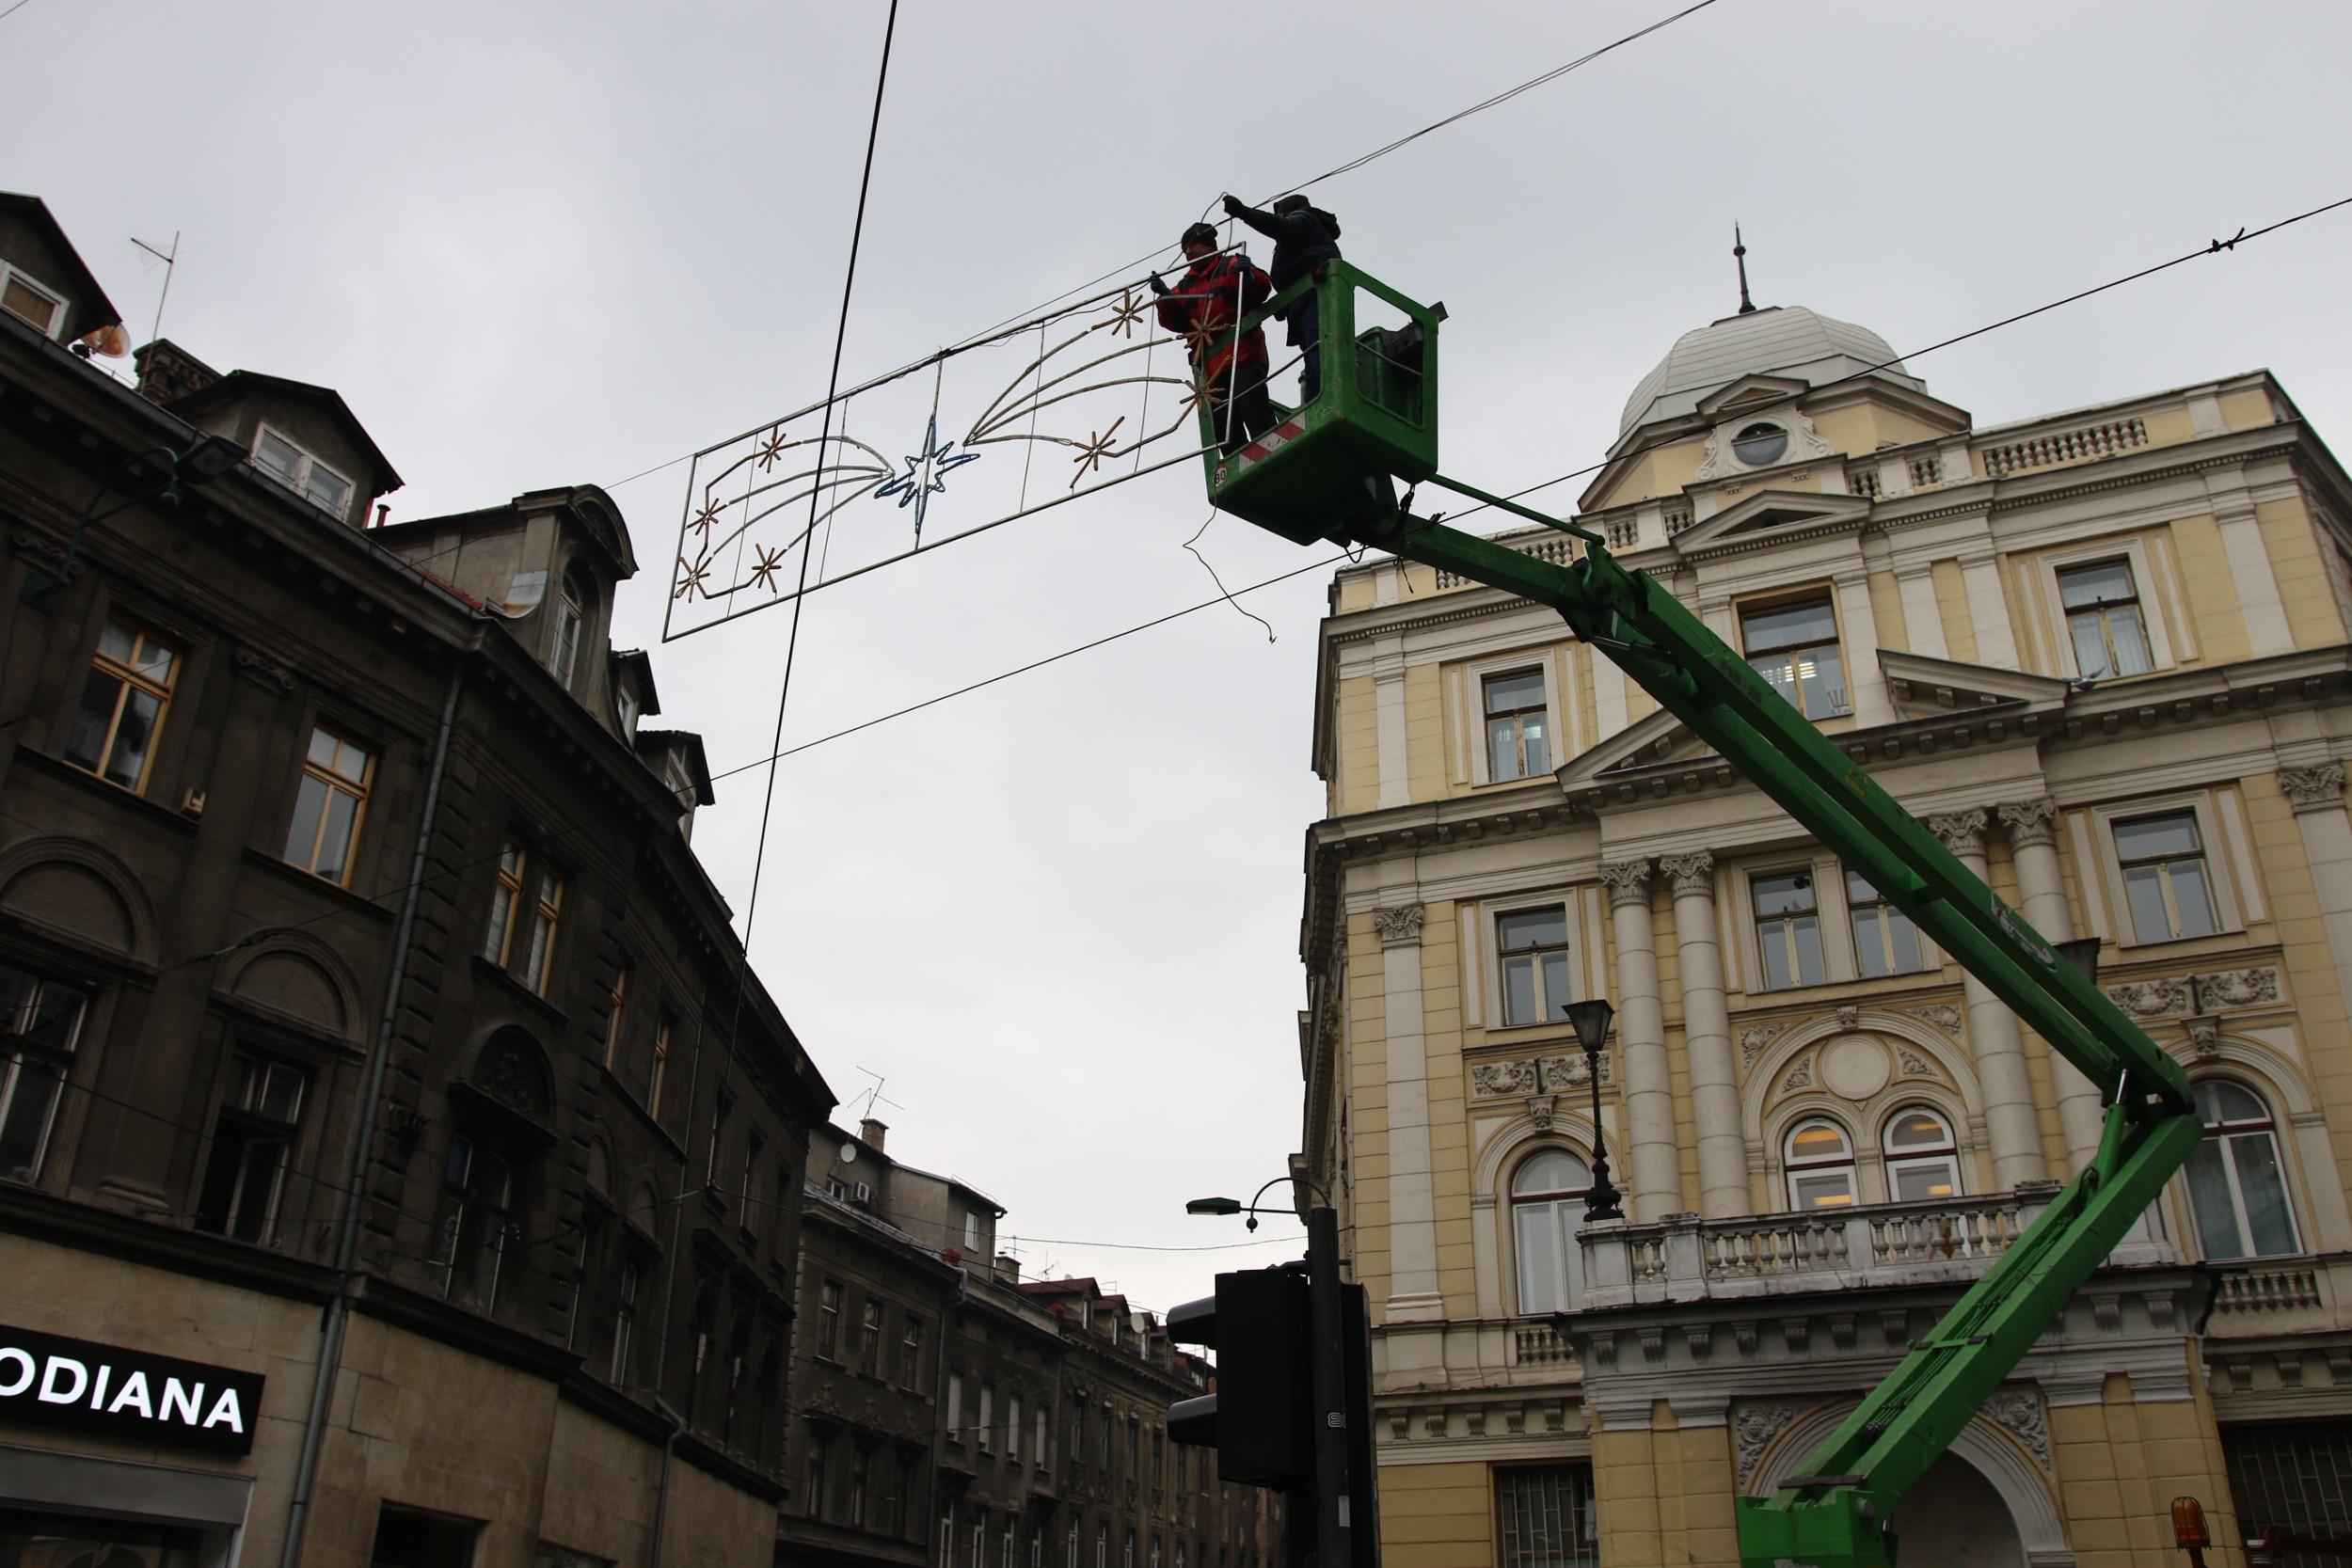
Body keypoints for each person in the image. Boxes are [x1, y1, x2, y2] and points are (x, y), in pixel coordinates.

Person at [1150, 221, 1275, 455]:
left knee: (1249, 400)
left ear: (1208, 245)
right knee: (1221, 419)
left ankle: (1272, 448)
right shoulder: (1186, 286)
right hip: (1212, 364)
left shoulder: (1229, 266)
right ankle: (1236, 462)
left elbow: (1260, 288)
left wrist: (1249, 276)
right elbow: (1174, 321)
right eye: (1185, 248)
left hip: (1243, 352)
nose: (1188, 252)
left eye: (1192, 245)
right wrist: (1165, 298)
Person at [1221, 192, 1342, 403]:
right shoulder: (1307, 233)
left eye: (1280, 215)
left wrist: (1244, 212)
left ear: (1286, 211)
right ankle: (1317, 398)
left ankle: (1322, 399)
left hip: (1314, 296)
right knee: (1315, 353)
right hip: (1304, 300)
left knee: (1319, 352)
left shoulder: (1304, 218)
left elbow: (1284, 229)